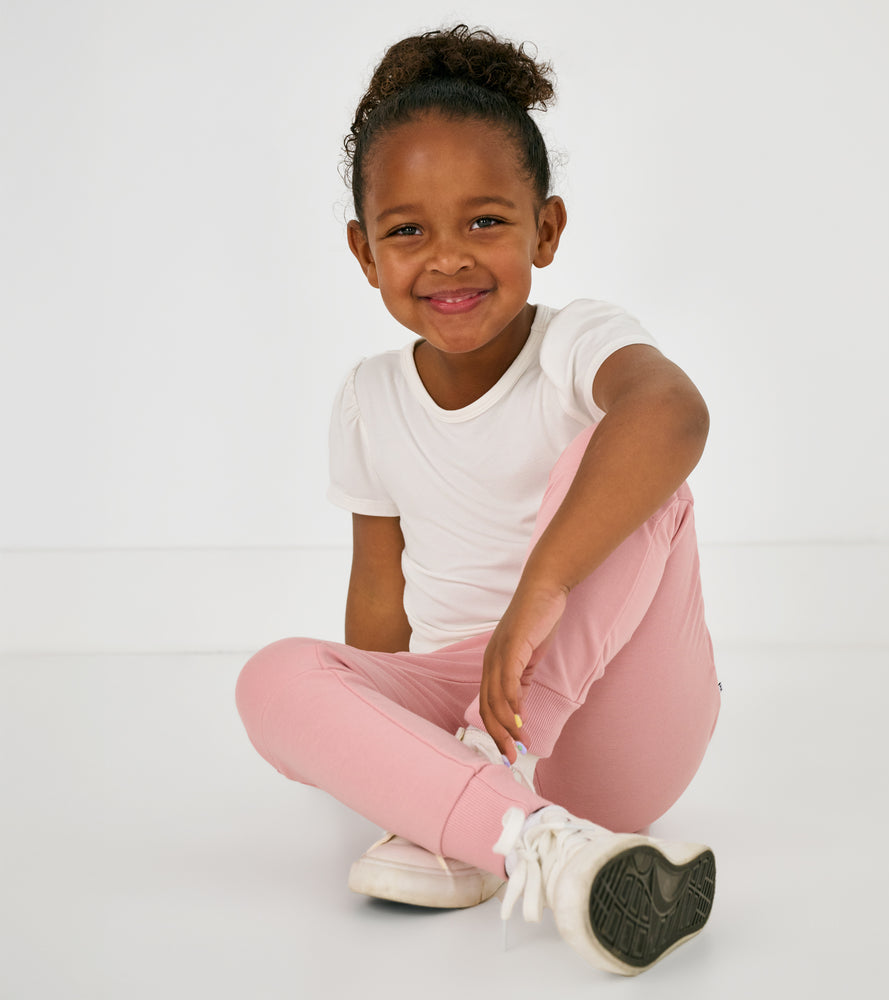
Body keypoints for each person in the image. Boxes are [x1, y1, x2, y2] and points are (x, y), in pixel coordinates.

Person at [236, 24, 721, 977]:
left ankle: (490, 788)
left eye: (486, 222)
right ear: (364, 252)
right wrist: (394, 770)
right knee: (272, 676)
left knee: (624, 451)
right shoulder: (368, 397)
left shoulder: (578, 344)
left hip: (614, 718)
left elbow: (675, 415)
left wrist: (540, 591)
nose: (447, 258)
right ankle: (546, 850)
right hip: (469, 711)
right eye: (407, 230)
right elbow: (377, 609)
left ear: (546, 228)